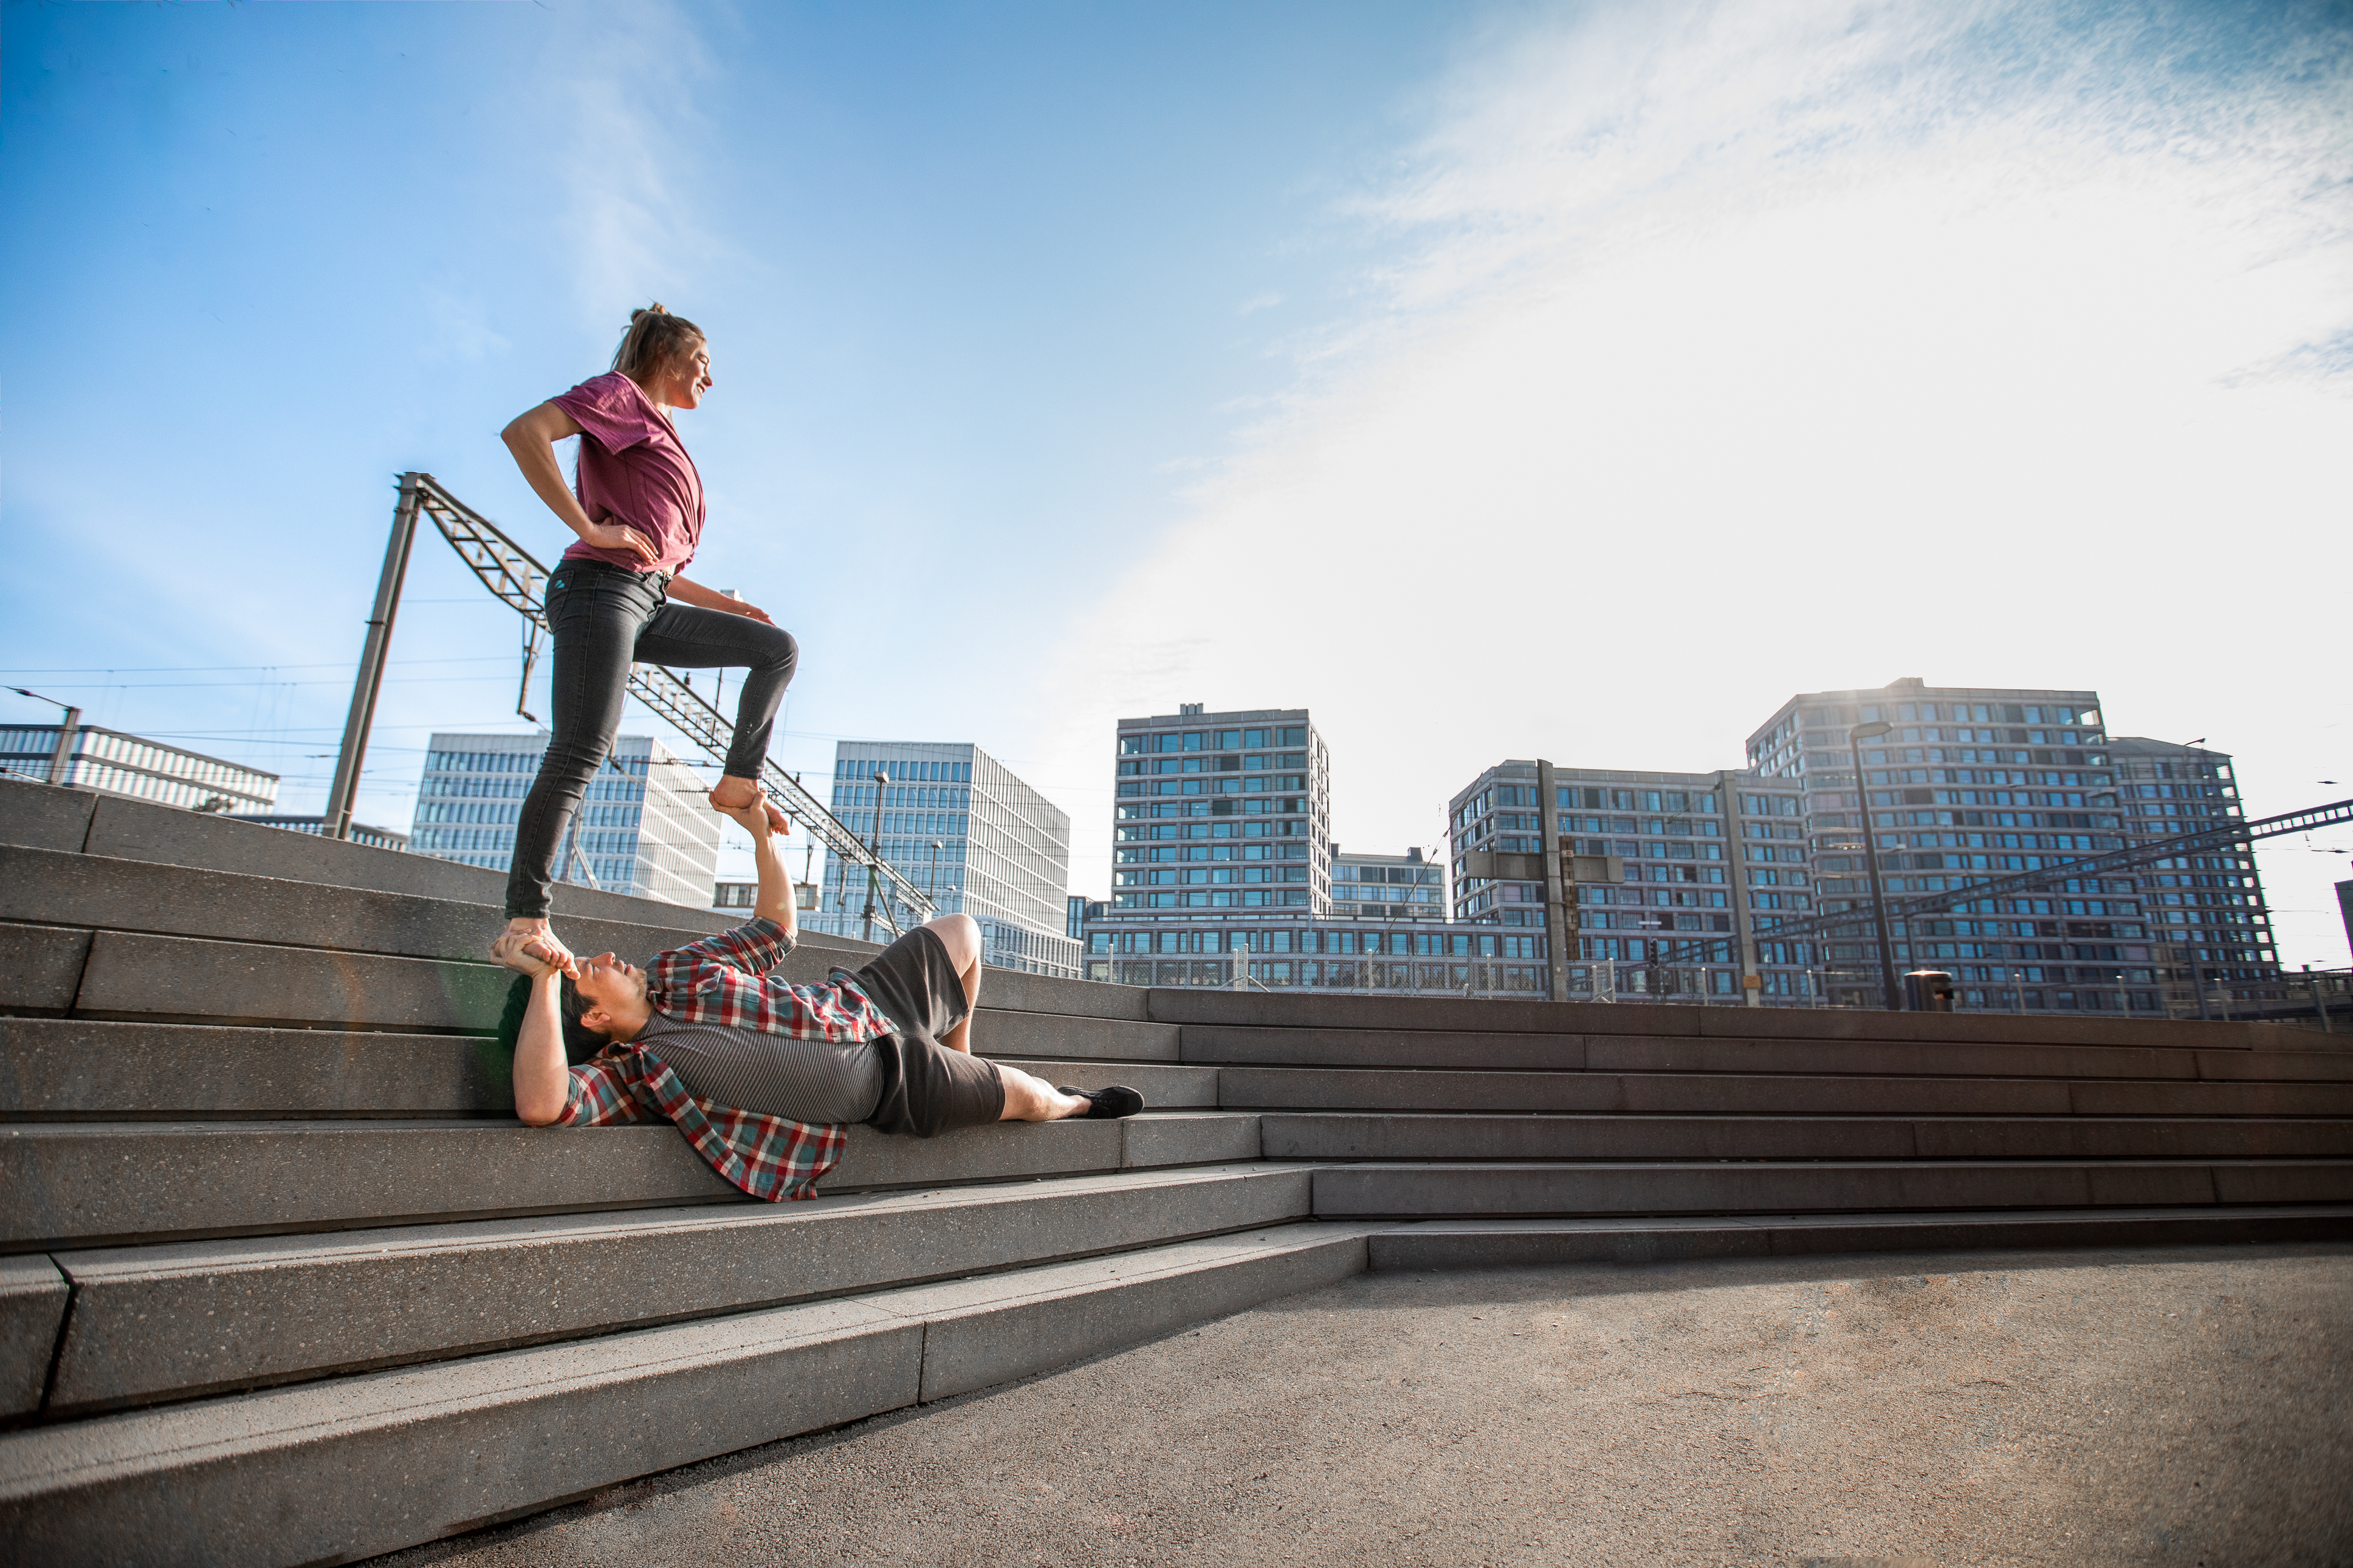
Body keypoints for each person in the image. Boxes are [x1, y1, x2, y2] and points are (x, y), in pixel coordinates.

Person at [491, 795, 1144, 1202]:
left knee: (964, 931)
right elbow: (544, 1102)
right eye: (590, 971)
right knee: (1031, 1098)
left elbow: (776, 930)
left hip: (860, 1003)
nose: (605, 957)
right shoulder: (634, 1074)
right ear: (598, 1017)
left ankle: (961, 1052)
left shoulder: (678, 970)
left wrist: (760, 839)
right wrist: (547, 979)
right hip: (890, 1081)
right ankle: (1080, 1104)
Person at [498, 303, 799, 967]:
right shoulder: (621, 396)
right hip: (598, 587)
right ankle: (525, 922)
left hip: (643, 594)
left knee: (774, 649)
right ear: (667, 356)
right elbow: (525, 433)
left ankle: (736, 783)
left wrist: (729, 606)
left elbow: (657, 561)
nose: (710, 381)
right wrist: (588, 526)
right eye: (703, 364)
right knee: (581, 747)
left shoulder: (661, 432)